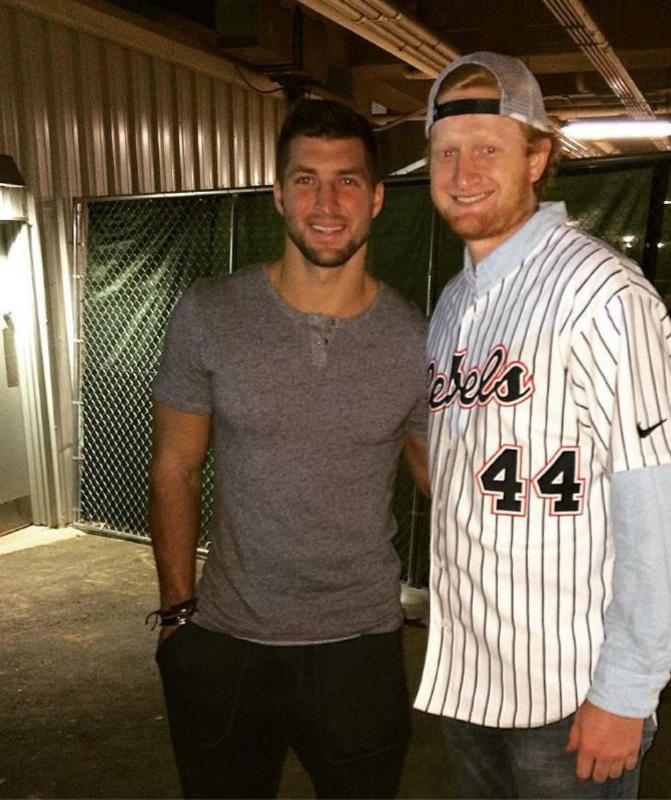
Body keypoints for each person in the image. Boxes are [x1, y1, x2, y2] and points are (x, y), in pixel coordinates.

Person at [414, 52, 671, 799]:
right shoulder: (452, 305)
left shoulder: (600, 292)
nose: (463, 171)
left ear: (537, 156)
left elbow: (653, 496)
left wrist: (628, 688)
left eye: (487, 149)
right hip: (470, 677)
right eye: (447, 152)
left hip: (569, 693)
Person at [148, 98, 429, 800]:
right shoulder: (209, 313)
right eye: (305, 180)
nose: (326, 202)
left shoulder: (418, 339)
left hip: (360, 646)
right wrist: (179, 619)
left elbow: (446, 483)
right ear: (278, 193)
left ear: (377, 199)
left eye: (347, 181)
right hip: (225, 640)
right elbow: (174, 467)